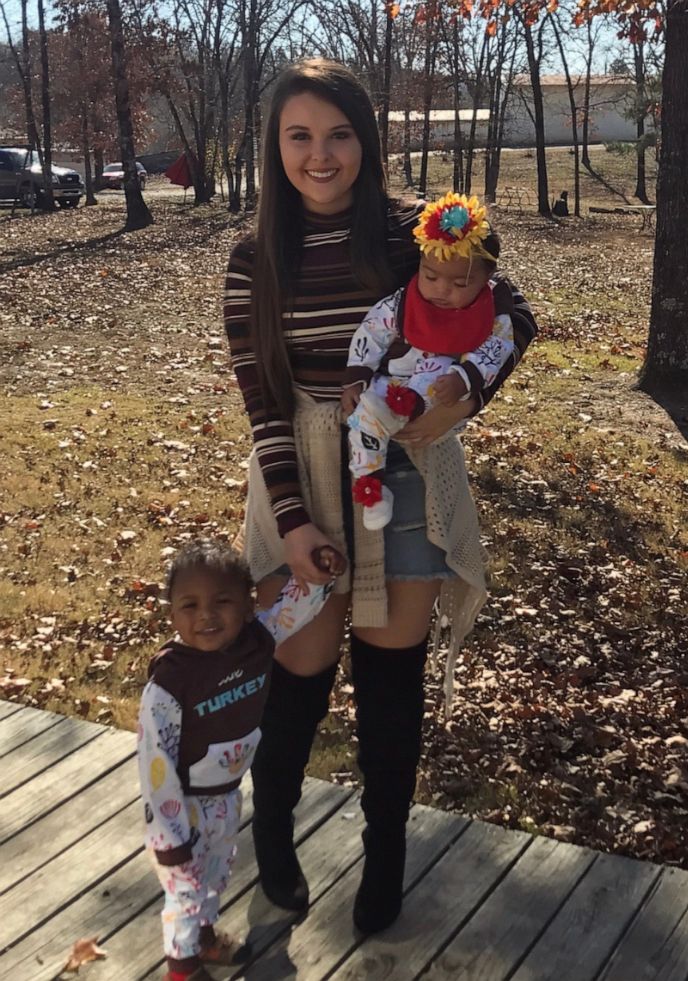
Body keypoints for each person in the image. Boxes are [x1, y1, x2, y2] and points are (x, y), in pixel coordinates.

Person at [222, 58, 538, 935]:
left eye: (338, 134)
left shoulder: (415, 234)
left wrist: (469, 392)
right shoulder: (254, 258)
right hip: (303, 474)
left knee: (391, 680)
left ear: (365, 138)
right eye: (299, 136)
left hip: (409, 474)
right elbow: (260, 398)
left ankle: (386, 856)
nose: (321, 155)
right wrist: (290, 523)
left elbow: (515, 314)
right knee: (302, 671)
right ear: (275, 147)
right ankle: (276, 840)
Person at [137, 539, 343, 981]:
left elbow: (295, 607)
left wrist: (321, 574)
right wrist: (171, 839)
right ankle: (182, 968)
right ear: (171, 613)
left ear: (248, 605)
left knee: (212, 880)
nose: (206, 616)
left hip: (225, 798)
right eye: (189, 605)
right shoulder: (171, 683)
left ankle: (204, 939)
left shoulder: (257, 642)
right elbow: (156, 767)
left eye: (222, 602)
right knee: (184, 895)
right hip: (179, 810)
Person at [341, 191, 514, 530]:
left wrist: (467, 378)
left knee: (439, 376)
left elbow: (499, 344)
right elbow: (373, 330)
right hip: (392, 383)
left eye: (460, 283)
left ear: (486, 278)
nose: (441, 290)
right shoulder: (406, 303)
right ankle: (371, 487)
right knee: (364, 420)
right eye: (430, 276)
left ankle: (409, 407)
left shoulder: (490, 307)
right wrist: (357, 374)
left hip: (441, 398)